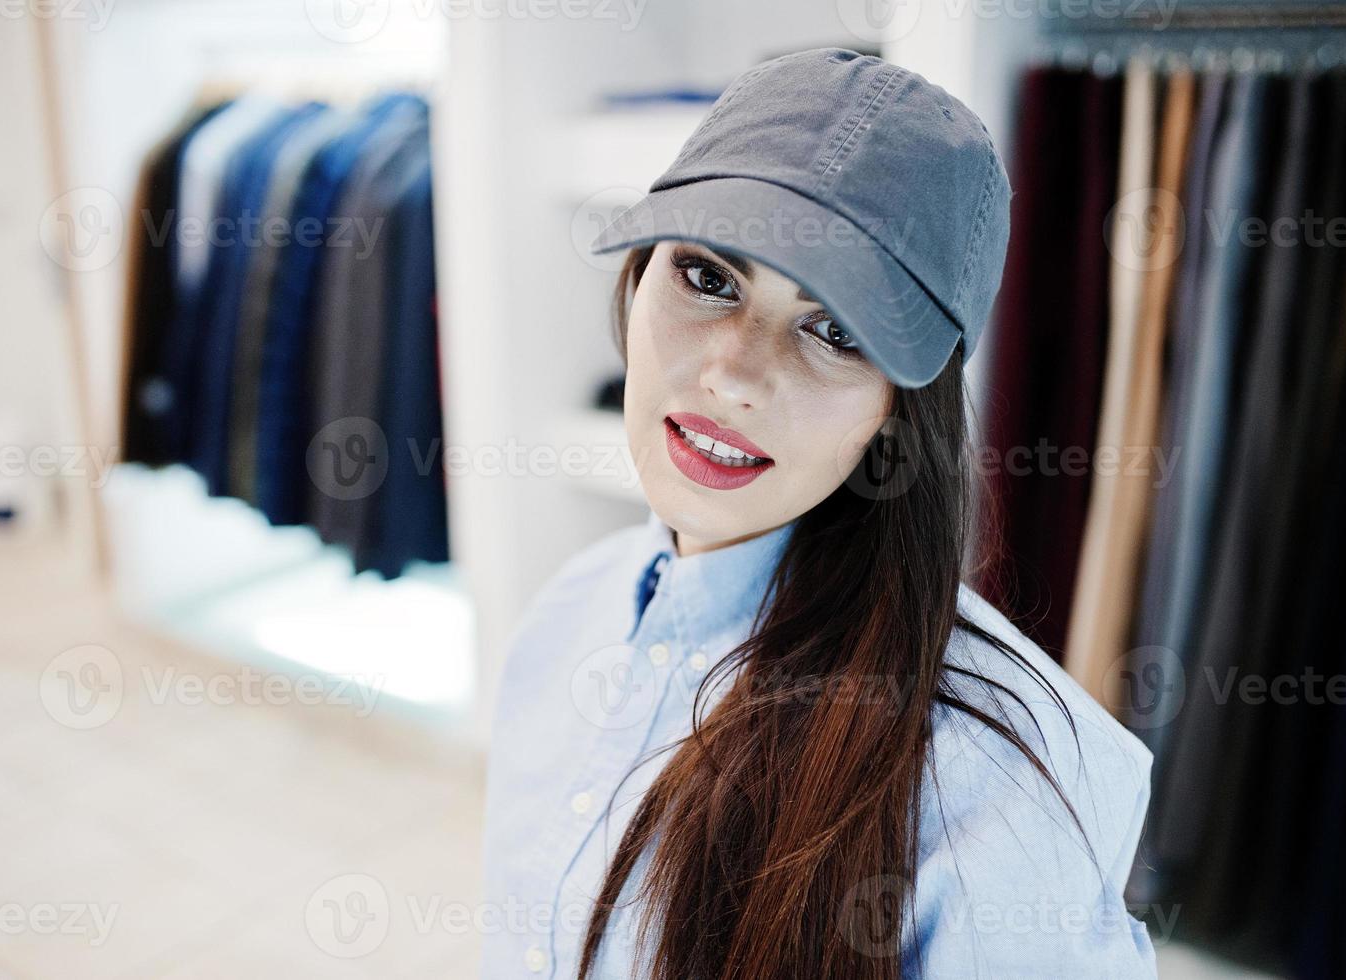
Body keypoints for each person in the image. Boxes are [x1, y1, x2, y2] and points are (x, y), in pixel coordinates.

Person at [479, 48, 1156, 979]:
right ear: (635, 280)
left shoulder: (1002, 786)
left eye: (836, 331)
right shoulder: (563, 618)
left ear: (897, 412)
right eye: (709, 277)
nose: (734, 375)